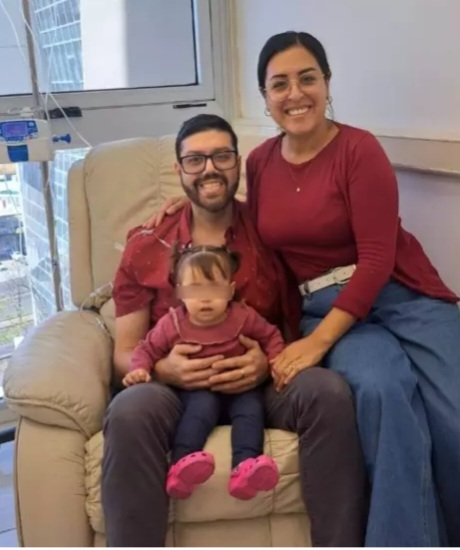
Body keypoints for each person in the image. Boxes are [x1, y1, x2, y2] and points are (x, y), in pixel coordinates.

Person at [150, 32, 460, 547]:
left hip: (400, 294)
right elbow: (243, 217)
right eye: (280, 84)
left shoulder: (359, 149)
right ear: (265, 96)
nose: (295, 93)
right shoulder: (260, 162)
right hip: (325, 306)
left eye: (307, 78)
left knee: (454, 410)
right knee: (382, 392)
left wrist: (316, 344)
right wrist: (185, 205)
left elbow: (378, 258)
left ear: (327, 83)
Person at [101, 113, 367, 547]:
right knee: (130, 410)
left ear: (237, 163)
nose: (209, 169)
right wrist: (165, 370)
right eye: (195, 160)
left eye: (221, 156)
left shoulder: (271, 231)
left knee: (328, 393)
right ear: (179, 170)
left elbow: (299, 315)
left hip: (263, 382)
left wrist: (267, 364)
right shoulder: (148, 243)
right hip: (172, 391)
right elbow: (125, 353)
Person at [125, 245, 284, 500]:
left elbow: (271, 335)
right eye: (195, 289)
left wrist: (276, 360)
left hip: (240, 388)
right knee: (201, 407)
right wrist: (139, 370)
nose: (206, 298)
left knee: (252, 410)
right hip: (197, 390)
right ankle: (181, 466)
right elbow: (147, 348)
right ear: (180, 292)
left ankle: (245, 468)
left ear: (230, 290)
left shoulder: (243, 317)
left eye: (215, 288)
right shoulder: (173, 324)